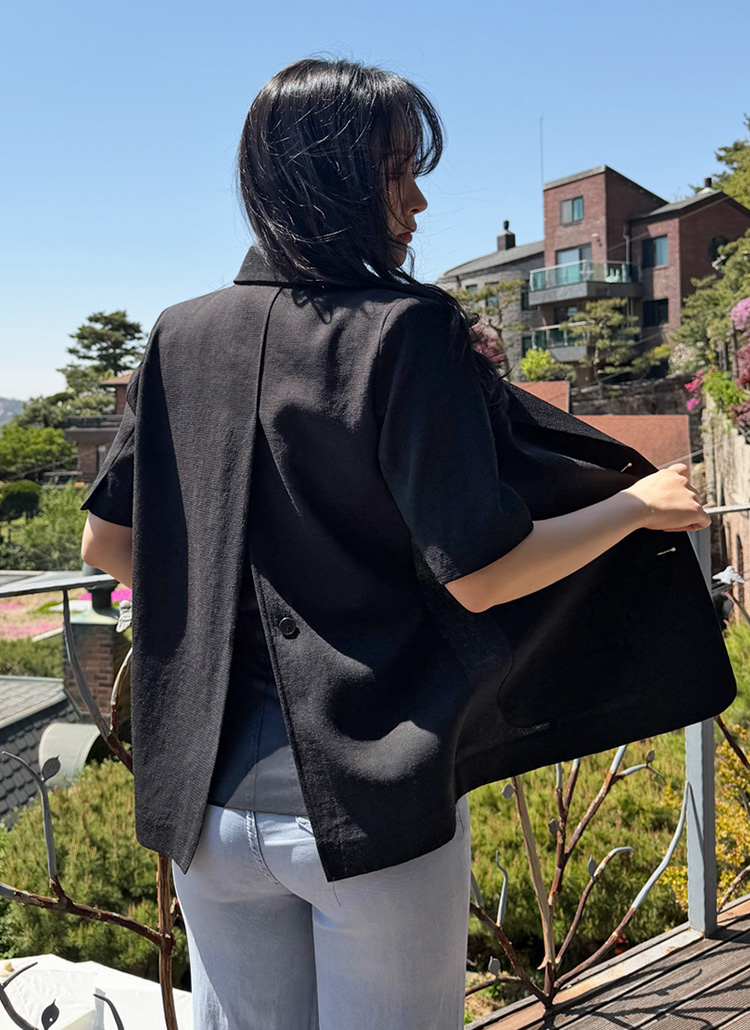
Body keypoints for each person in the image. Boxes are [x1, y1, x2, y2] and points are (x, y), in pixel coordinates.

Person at [80, 58, 721, 1030]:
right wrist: (637, 505)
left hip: (205, 806)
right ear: (324, 180)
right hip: (366, 799)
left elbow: (105, 543)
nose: (417, 199)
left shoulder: (180, 334)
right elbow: (482, 574)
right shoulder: (403, 331)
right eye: (393, 172)